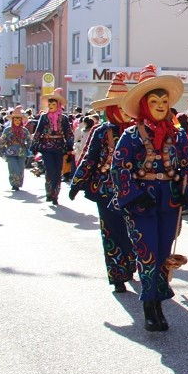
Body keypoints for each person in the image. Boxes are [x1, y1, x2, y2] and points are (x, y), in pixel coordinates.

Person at [110, 65, 188, 332]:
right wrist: (134, 195)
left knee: (162, 253)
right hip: (142, 204)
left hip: (169, 201)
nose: (160, 105)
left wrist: (186, 188)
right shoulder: (131, 135)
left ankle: (158, 300)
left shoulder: (178, 134)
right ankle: (149, 306)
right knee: (147, 254)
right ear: (144, 105)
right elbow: (118, 168)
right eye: (154, 101)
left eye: (164, 101)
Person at [70, 73, 138, 293]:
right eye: (118, 108)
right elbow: (89, 158)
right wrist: (77, 182)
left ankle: (131, 264)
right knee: (110, 232)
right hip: (105, 190)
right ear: (110, 110)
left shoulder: (140, 131)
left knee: (133, 230)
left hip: (135, 191)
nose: (123, 112)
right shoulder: (101, 132)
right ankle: (117, 274)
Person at [30, 88, 75, 204]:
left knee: (57, 171)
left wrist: (70, 146)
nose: (50, 106)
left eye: (53, 104)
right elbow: (38, 131)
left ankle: (55, 194)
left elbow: (68, 133)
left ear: (58, 105)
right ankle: (49, 192)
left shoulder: (63, 118)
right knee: (50, 170)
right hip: (46, 147)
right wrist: (34, 144)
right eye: (49, 104)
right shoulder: (44, 117)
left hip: (59, 147)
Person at [0, 105, 30, 191]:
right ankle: (14, 184)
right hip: (10, 150)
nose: (17, 121)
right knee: (13, 167)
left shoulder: (24, 130)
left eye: (19, 119)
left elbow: (29, 140)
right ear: (12, 120)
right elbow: (2, 140)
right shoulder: (7, 130)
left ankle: (18, 183)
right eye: (15, 119)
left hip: (22, 151)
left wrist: (31, 149)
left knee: (21, 168)